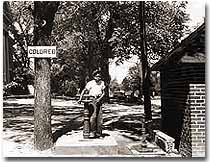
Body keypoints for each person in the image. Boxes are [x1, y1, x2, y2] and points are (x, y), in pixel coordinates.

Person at [78, 70, 105, 138]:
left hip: (99, 100)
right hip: (92, 99)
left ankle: (99, 133)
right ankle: (92, 131)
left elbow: (104, 92)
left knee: (100, 118)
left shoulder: (102, 83)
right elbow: (84, 90)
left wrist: (100, 99)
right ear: (94, 77)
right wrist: (80, 98)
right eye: (97, 76)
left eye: (99, 76)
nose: (98, 78)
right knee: (93, 117)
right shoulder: (90, 83)